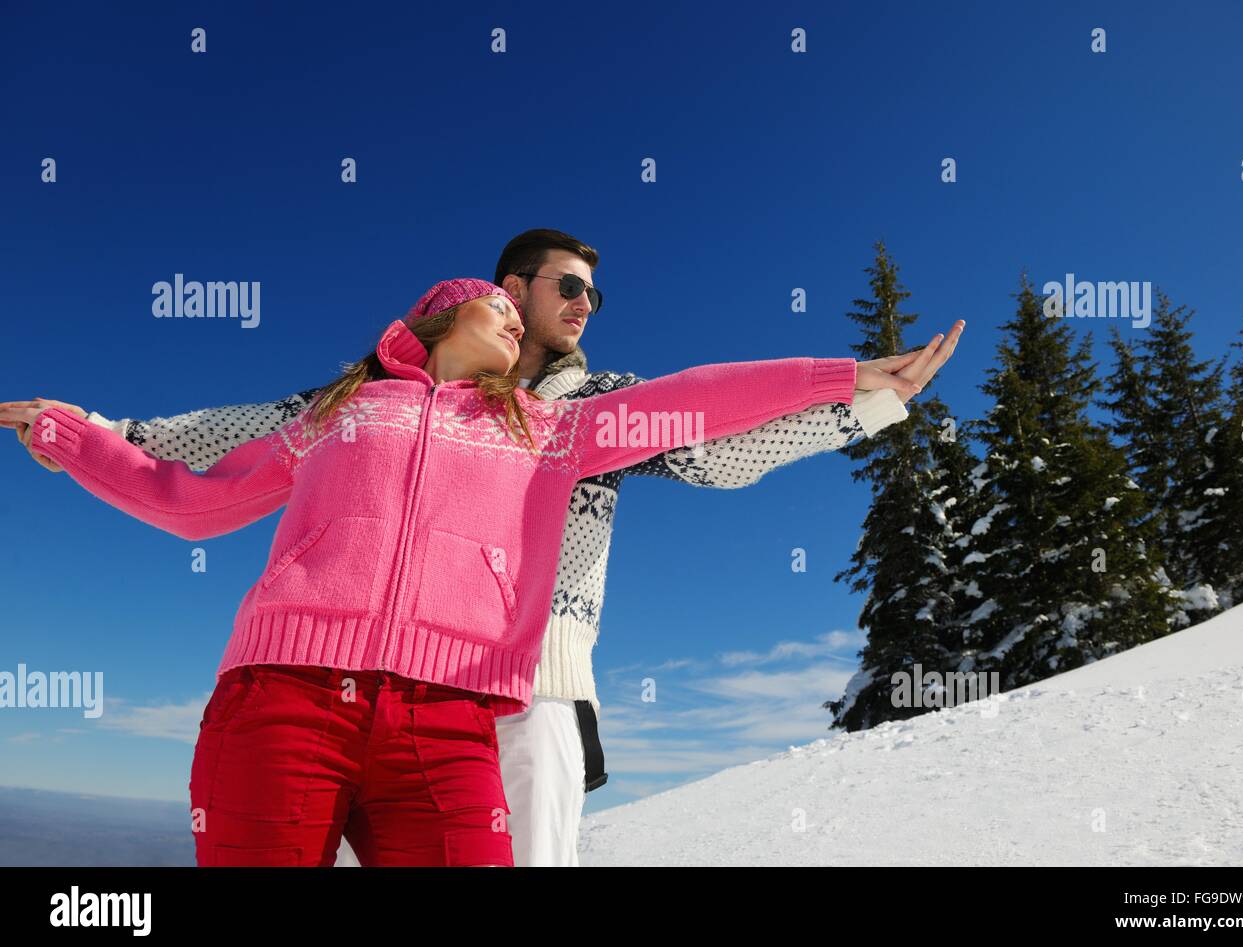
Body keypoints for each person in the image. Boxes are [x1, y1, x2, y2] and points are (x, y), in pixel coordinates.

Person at [3, 230, 966, 865]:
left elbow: (708, 425)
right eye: (568, 287)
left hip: (497, 692)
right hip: (297, 689)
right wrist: (93, 431)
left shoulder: (571, 418)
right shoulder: (348, 406)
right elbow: (214, 467)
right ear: (493, 296)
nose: (586, 305)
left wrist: (855, 391)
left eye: (595, 292)